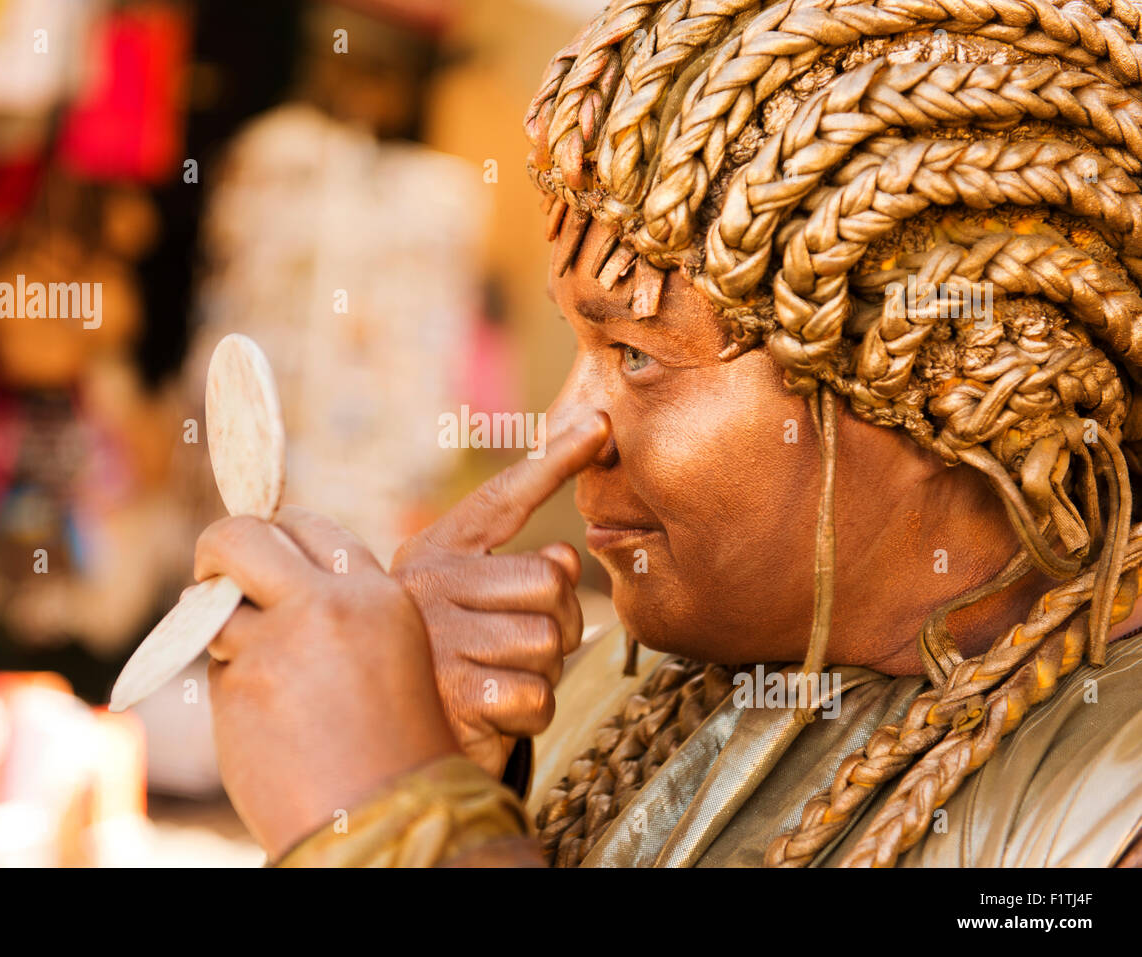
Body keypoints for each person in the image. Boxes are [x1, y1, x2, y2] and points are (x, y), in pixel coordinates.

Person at [199, 0, 1142, 867]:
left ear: (942, 376)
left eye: (638, 354)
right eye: (577, 342)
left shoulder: (1111, 794)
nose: (568, 429)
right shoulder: (618, 692)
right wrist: (455, 751)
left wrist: (393, 813)